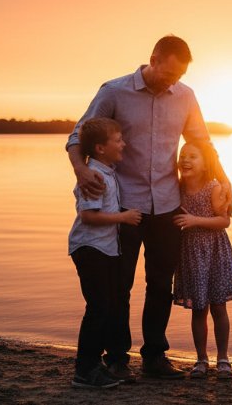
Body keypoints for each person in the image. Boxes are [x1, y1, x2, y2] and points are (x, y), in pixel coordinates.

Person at [67, 35, 232, 381]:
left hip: (168, 205)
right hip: (125, 204)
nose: (173, 82)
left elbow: (202, 140)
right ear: (154, 59)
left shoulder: (185, 96)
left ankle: (155, 357)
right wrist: (82, 170)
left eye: (179, 76)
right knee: (120, 286)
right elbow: (77, 137)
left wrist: (225, 179)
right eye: (168, 74)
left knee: (160, 285)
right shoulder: (114, 91)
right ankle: (116, 358)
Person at [67, 117, 143, 389]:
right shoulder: (95, 176)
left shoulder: (108, 171)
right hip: (90, 248)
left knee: (107, 306)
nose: (124, 143)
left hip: (106, 248)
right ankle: (85, 370)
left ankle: (95, 364)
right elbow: (88, 216)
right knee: (98, 308)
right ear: (100, 148)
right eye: (118, 140)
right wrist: (123, 218)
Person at [172, 140, 232, 379]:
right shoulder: (178, 187)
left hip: (214, 251)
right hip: (191, 253)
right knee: (198, 309)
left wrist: (195, 220)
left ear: (205, 164)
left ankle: (223, 358)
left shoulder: (212, 187)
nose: (186, 160)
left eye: (193, 156)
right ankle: (201, 359)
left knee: (218, 307)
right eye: (183, 155)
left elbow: (224, 221)